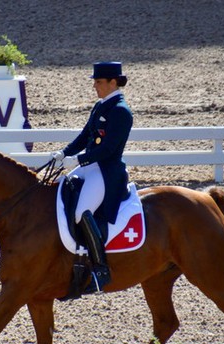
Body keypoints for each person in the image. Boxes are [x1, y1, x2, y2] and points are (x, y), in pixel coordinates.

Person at [52, 61, 134, 292]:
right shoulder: (100, 106)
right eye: (95, 82)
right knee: (60, 190)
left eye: (99, 82)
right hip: (90, 167)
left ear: (113, 82)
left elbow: (107, 150)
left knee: (81, 212)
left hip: (105, 172)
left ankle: (100, 269)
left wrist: (77, 160)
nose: (95, 86)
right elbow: (83, 137)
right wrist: (64, 153)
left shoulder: (121, 111)